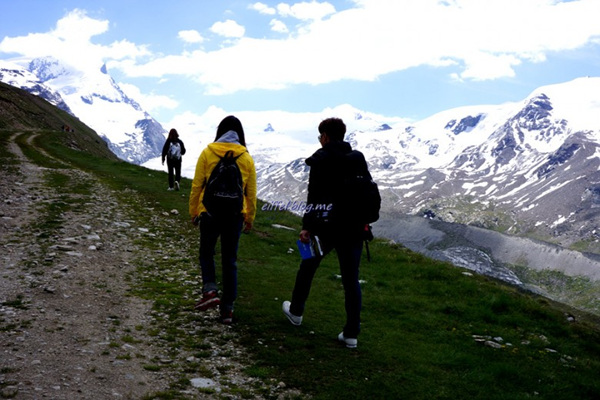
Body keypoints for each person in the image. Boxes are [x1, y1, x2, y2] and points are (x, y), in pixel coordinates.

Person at [282, 117, 372, 349]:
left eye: (320, 136)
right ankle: (351, 334)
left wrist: (306, 227)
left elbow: (314, 197)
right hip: (353, 228)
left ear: (325, 136)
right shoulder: (357, 158)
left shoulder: (321, 159)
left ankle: (296, 312)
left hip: (324, 228)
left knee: (308, 267)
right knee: (351, 280)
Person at [189, 115, 257, 324]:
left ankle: (210, 289)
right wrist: (249, 218)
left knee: (206, 253)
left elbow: (197, 185)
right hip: (234, 215)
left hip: (209, 212)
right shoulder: (246, 158)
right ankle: (227, 310)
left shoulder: (208, 153)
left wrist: (194, 211)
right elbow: (251, 192)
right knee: (230, 260)